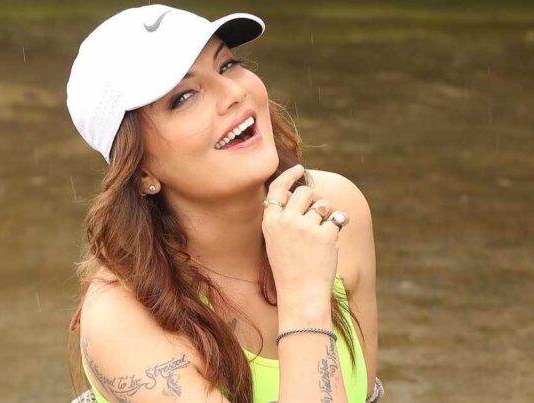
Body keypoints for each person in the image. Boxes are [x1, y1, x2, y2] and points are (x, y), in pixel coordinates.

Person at [65, 4, 382, 403]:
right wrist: (304, 299)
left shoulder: (334, 209)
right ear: (141, 170)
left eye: (227, 65)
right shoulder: (122, 319)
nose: (234, 93)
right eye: (184, 97)